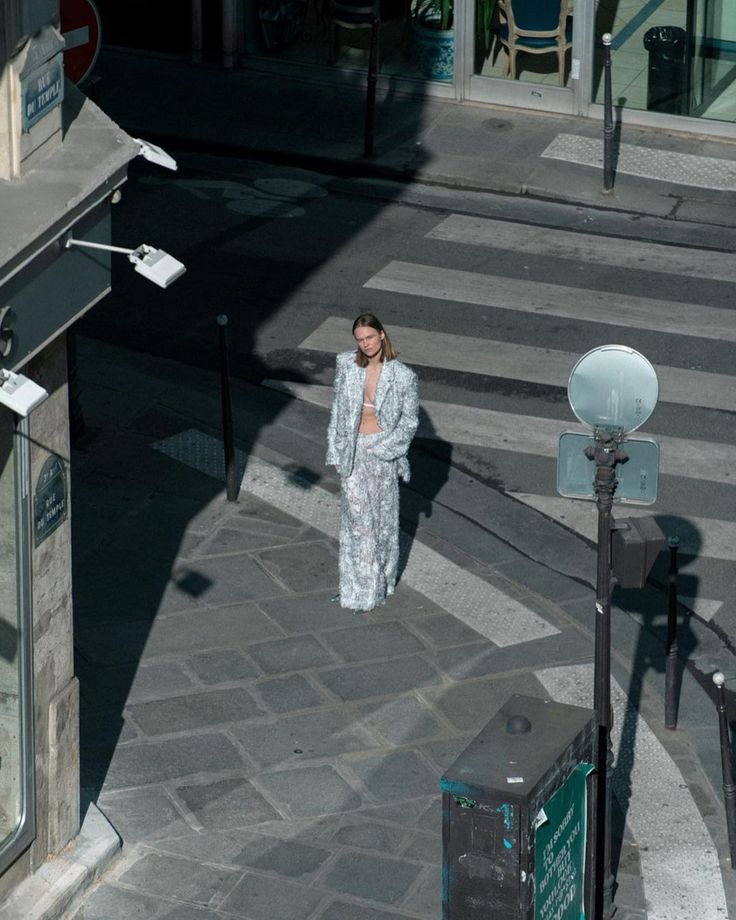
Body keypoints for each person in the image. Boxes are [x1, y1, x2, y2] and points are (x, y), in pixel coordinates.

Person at [326, 313, 419, 613]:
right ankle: (358, 591)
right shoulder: (346, 365)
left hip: (382, 454)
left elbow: (409, 422)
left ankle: (379, 584)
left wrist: (386, 449)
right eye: (359, 340)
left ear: (381, 335)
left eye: (369, 337)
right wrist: (336, 453)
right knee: (358, 523)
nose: (365, 344)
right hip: (353, 452)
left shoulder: (403, 376)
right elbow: (338, 412)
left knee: (382, 523)